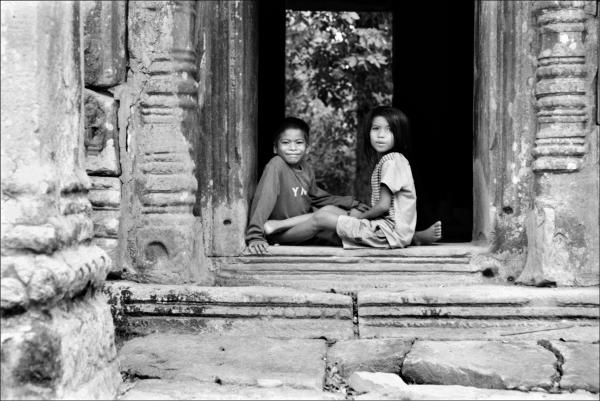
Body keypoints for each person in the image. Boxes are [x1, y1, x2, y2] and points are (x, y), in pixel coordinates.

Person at [262, 106, 442, 249]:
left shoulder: (392, 161)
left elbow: (383, 206)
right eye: (376, 128)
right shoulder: (391, 160)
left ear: (399, 134)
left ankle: (279, 235)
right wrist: (352, 208)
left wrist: (359, 218)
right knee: (329, 210)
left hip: (386, 233)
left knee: (322, 219)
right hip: (389, 229)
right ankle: (278, 225)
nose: (380, 135)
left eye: (389, 130)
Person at [244, 117, 369, 255]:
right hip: (280, 233)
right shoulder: (276, 165)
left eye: (299, 143)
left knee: (331, 210)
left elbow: (318, 197)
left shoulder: (306, 169)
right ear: (275, 148)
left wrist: (353, 203)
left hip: (300, 227)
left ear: (307, 148)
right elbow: (264, 197)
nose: (293, 148)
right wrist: (255, 236)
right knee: (323, 220)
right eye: (285, 143)